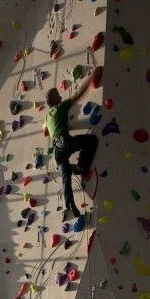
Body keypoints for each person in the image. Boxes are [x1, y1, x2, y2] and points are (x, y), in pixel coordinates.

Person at [44, 65, 103, 219]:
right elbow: (78, 95)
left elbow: (44, 127)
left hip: (57, 149)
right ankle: (81, 167)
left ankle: (68, 204)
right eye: (58, 95)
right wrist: (91, 78)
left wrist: (58, 126)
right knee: (91, 140)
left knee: (65, 176)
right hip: (65, 142)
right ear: (54, 100)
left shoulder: (48, 116)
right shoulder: (61, 107)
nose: (61, 97)